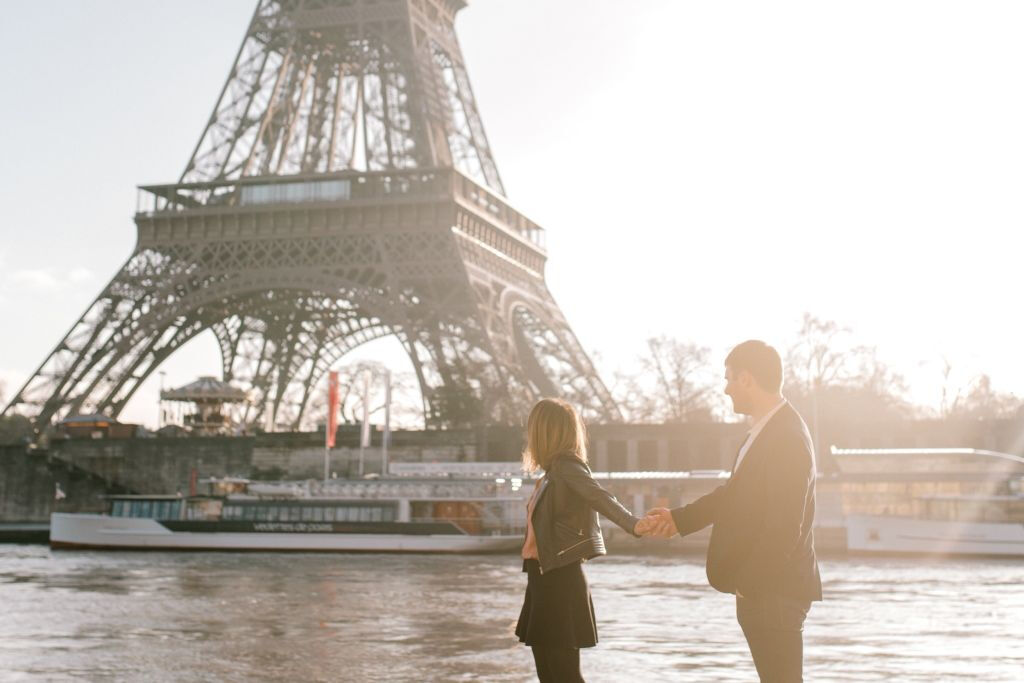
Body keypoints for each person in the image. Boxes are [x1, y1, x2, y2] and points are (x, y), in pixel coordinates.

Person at [645, 340, 823, 682]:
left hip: (773, 592)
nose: (725, 389)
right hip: (769, 591)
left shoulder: (786, 435)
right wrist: (678, 519)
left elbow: (787, 525)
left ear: (747, 379)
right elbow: (734, 496)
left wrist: (750, 584)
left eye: (728, 379)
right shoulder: (768, 430)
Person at [516, 398, 653, 683]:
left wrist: (635, 524)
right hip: (542, 577)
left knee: (563, 674)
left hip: (559, 579)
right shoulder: (552, 474)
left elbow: (599, 496)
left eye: (533, 430)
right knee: (549, 673)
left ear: (544, 432)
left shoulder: (567, 467)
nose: (529, 437)